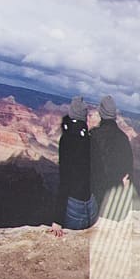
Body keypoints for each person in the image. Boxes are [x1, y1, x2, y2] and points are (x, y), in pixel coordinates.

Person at [89, 94, 138, 222]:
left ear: (101, 113)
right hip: (113, 194)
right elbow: (129, 171)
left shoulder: (93, 135)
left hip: (93, 191)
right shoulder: (123, 138)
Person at [52, 98, 96, 237]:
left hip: (74, 207)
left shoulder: (67, 140)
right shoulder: (89, 139)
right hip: (92, 206)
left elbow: (65, 180)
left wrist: (57, 219)